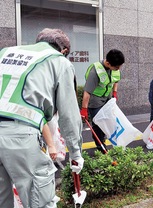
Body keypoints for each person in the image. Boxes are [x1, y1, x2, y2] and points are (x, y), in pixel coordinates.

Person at [0, 28, 84, 207]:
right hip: (21, 136)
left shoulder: (5, 52)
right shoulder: (59, 61)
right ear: (64, 51)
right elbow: (69, 114)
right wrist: (75, 153)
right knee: (39, 200)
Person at [80, 49, 125, 153]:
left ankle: (110, 141)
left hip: (107, 98)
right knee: (98, 124)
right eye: (117, 67)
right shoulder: (95, 72)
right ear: (108, 63)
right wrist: (84, 110)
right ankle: (101, 147)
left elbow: (115, 80)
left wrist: (114, 93)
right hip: (95, 100)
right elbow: (87, 92)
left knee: (110, 120)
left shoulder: (114, 67)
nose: (118, 69)